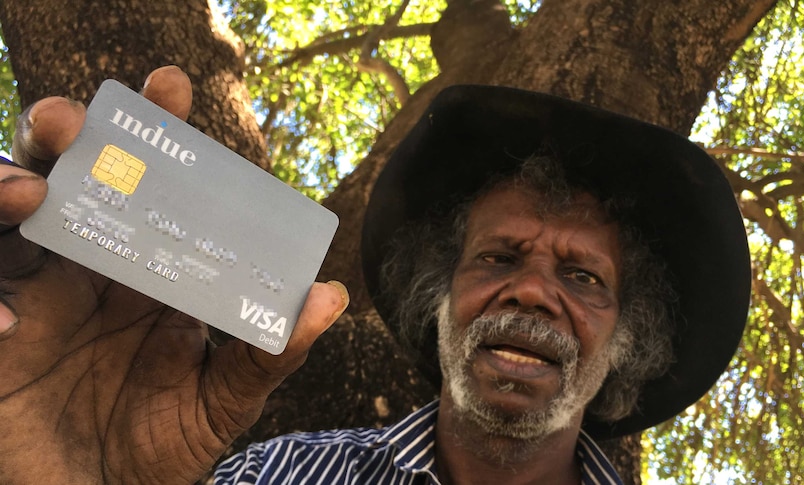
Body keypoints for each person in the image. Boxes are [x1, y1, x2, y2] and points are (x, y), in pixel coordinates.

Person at [0, 66, 751, 484]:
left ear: (627, 340)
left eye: (585, 276)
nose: (531, 290)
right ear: (439, 299)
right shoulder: (280, 477)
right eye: (498, 257)